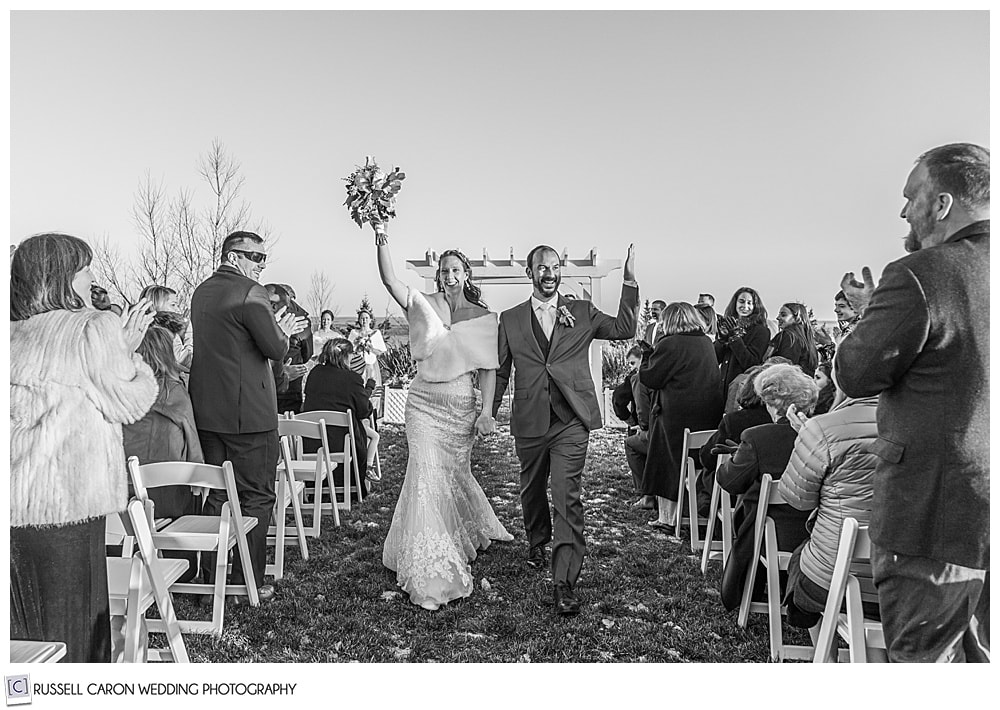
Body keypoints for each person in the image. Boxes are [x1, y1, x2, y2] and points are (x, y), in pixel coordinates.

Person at [835, 143, 989, 662]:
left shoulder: (921, 273)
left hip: (932, 517)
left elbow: (856, 372)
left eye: (910, 197)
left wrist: (868, 311)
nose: (903, 211)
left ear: (942, 204)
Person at [10, 232, 157, 663]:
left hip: (15, 502)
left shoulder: (12, 332)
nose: (91, 278)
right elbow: (129, 400)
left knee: (25, 638)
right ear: (63, 277)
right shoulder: (93, 326)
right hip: (68, 501)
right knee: (76, 633)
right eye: (86, 268)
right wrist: (128, 352)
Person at [373, 222, 512, 611]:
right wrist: (380, 234)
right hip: (422, 406)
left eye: (456, 270)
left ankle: (460, 531)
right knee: (423, 475)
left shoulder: (484, 317)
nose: (450, 275)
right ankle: (428, 566)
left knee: (450, 477)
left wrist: (486, 412)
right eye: (444, 270)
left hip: (459, 411)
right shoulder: (424, 303)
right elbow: (389, 279)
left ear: (467, 275)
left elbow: (488, 370)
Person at [493, 243, 639, 616]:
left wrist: (629, 280)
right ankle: (537, 540)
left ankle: (564, 582)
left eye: (554, 266)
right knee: (531, 489)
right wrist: (488, 411)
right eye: (541, 267)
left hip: (571, 421)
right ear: (530, 273)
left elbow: (624, 329)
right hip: (529, 418)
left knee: (566, 496)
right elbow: (501, 370)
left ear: (561, 271)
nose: (548, 272)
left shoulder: (581, 311)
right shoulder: (509, 319)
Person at [188, 231, 307, 603]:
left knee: (216, 496)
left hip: (207, 411)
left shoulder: (201, 291)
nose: (261, 265)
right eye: (257, 258)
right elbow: (273, 346)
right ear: (234, 256)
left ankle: (211, 580)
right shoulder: (250, 292)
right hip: (250, 416)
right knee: (256, 496)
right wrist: (284, 334)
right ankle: (245, 583)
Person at [778, 376, 879, 628]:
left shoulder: (823, 428)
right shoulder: (931, 426)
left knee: (802, 560)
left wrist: (809, 439)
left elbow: (797, 499)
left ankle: (825, 652)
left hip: (834, 579)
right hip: (909, 584)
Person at [716, 363, 818, 610]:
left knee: (750, 512)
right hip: (816, 535)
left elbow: (728, 481)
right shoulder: (822, 436)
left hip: (772, 536)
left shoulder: (757, 437)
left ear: (771, 403)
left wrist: (734, 457)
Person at [123, 324, 203, 583]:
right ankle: (183, 567)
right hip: (168, 490)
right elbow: (191, 438)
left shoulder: (124, 389)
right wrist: (199, 475)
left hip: (128, 489)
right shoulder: (173, 390)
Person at [638, 302, 723, 528]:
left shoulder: (671, 343)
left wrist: (647, 355)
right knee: (692, 465)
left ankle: (668, 518)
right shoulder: (705, 342)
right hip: (706, 416)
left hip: (675, 416)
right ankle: (692, 513)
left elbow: (651, 378)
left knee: (666, 463)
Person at [302, 338, 378, 489]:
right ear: (344, 356)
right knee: (367, 432)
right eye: (350, 355)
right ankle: (360, 476)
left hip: (313, 443)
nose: (352, 358)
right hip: (343, 443)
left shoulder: (314, 374)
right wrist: (368, 389)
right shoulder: (352, 378)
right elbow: (364, 411)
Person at [611, 345, 653, 506]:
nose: (632, 367)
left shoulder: (637, 377)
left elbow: (618, 400)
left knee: (634, 446)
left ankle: (645, 493)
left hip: (644, 424)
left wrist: (633, 422)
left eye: (632, 363)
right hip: (654, 424)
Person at [715, 287, 770, 400]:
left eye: (750, 303)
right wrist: (721, 339)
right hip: (722, 388)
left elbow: (751, 363)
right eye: (741, 301)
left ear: (755, 306)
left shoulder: (761, 331)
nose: (745, 306)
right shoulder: (729, 325)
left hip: (741, 391)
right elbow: (716, 358)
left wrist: (735, 338)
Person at [265, 283, 313, 415]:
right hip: (284, 383)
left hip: (283, 382)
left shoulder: (300, 321)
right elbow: (308, 353)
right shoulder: (301, 320)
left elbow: (307, 353)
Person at [139, 284, 193, 372]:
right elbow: (188, 361)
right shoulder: (165, 333)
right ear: (155, 305)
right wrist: (188, 332)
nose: (177, 309)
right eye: (173, 305)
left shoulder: (142, 331)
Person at [763, 302, 819, 376]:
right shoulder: (807, 339)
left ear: (797, 318)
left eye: (783, 315)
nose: (777, 317)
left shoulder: (790, 336)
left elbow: (785, 367)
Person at [348, 305, 387, 388]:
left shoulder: (376, 333)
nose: (364, 320)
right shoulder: (354, 333)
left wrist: (371, 349)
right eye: (362, 318)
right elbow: (348, 350)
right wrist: (357, 345)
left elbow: (381, 352)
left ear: (370, 320)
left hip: (371, 365)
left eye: (366, 318)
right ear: (359, 320)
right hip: (357, 365)